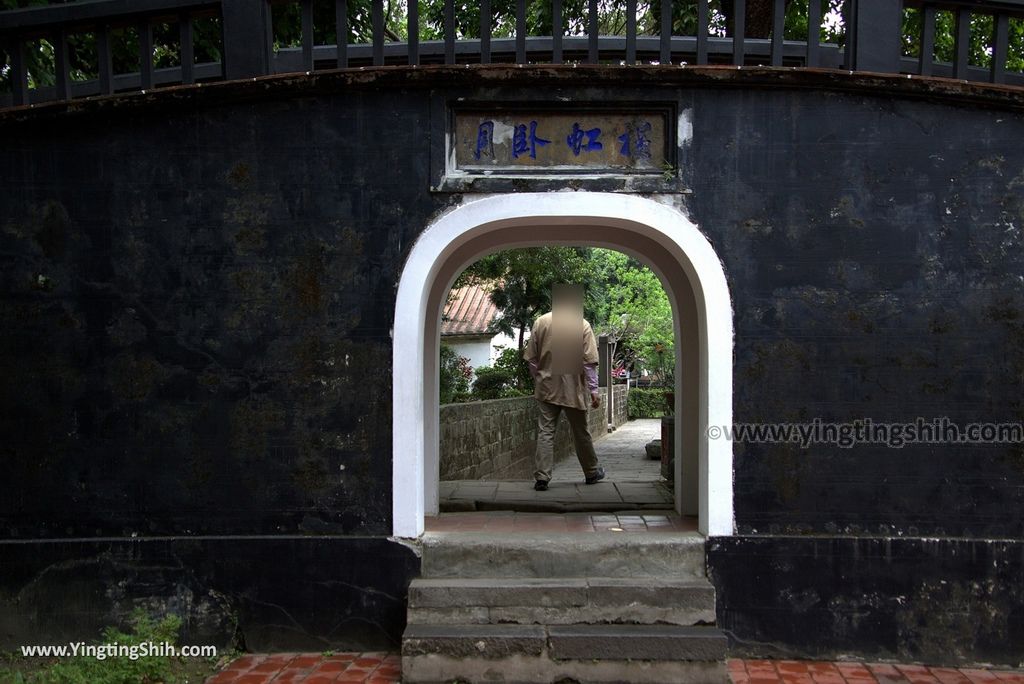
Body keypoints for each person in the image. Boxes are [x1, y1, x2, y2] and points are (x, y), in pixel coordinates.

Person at [522, 284, 605, 491]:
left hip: (546, 386)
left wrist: (540, 377)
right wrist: (594, 391)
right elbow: (588, 362)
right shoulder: (582, 325)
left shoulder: (541, 322)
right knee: (581, 432)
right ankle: (591, 472)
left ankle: (542, 477)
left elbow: (531, 359)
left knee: (546, 432)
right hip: (572, 389)